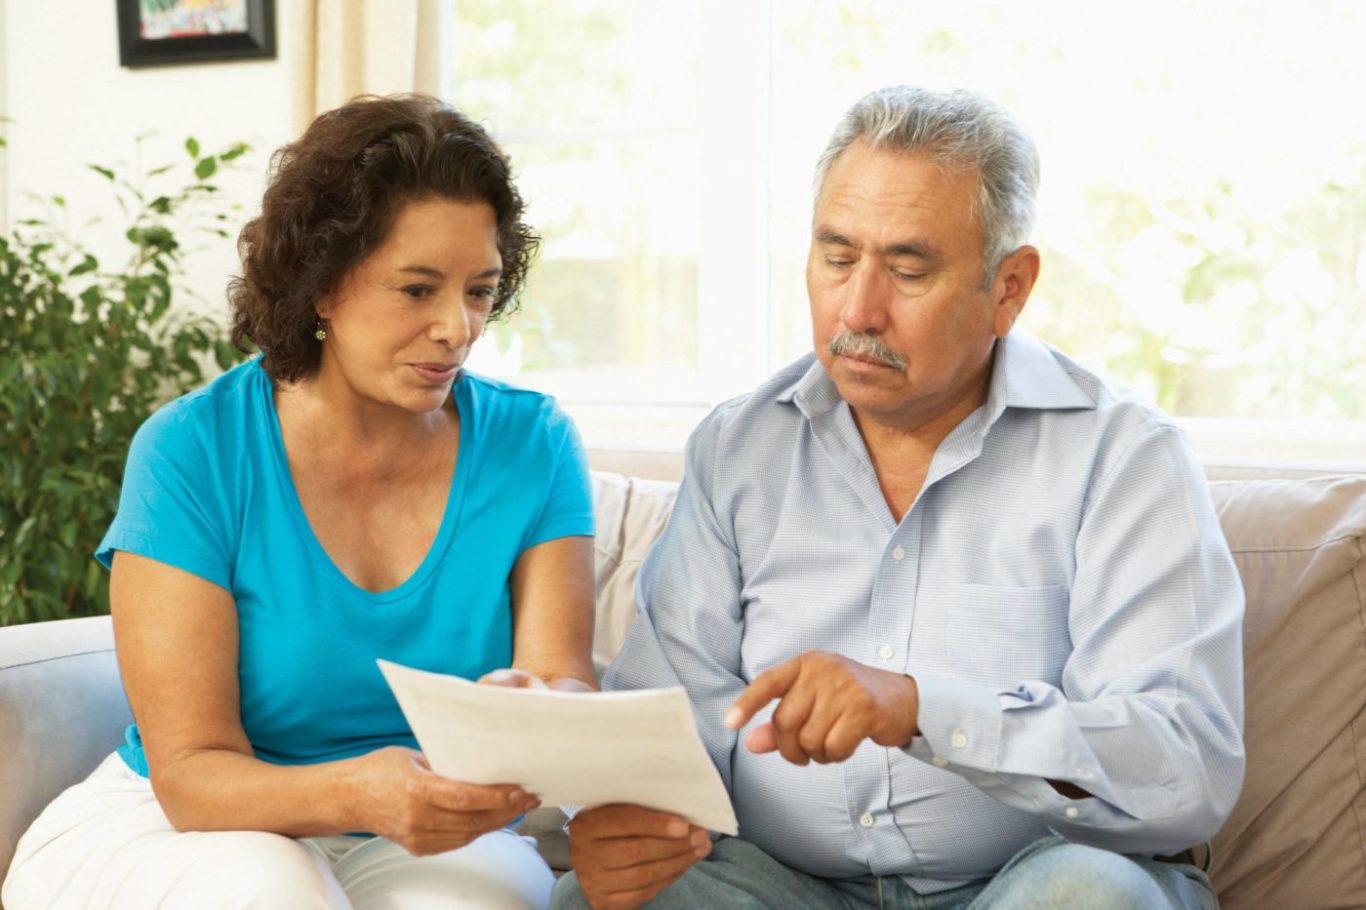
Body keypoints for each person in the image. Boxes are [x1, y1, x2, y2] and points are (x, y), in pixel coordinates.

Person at [552, 86, 1244, 910]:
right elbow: (664, 719)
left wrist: (922, 710)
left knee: (1088, 897)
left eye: (908, 269)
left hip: (1031, 883)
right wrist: (621, 820)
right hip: (781, 887)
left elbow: (1184, 763)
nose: (857, 310)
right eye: (836, 257)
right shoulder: (739, 449)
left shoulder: (1124, 458)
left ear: (1010, 287)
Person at [1, 94, 597, 910]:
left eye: (480, 291)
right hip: (186, 822)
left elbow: (561, 679)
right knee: (273, 888)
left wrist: (542, 712)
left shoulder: (534, 445)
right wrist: (356, 792)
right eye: (417, 289)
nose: (457, 328)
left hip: (418, 832)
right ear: (322, 285)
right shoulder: (194, 450)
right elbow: (192, 774)